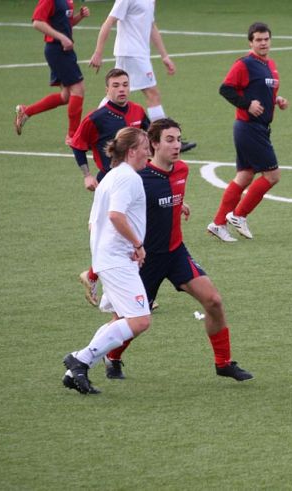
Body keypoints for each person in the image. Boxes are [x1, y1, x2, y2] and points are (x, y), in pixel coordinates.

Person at [101, 118, 253, 382]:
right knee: (129, 321)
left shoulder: (182, 169)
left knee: (213, 301)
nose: (176, 145)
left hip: (175, 252)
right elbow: (117, 213)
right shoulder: (138, 178)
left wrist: (178, 204)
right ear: (154, 144)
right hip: (145, 260)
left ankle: (224, 363)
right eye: (169, 140)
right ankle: (107, 357)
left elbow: (164, 196)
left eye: (179, 139)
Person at [62, 127, 152, 395]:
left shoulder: (110, 177)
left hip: (108, 257)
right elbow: (115, 215)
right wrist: (137, 245)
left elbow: (93, 224)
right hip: (117, 259)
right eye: (145, 147)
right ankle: (80, 359)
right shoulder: (128, 178)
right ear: (132, 151)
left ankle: (74, 373)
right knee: (140, 320)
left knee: (120, 319)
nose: (149, 152)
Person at [71, 68, 150, 306]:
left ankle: (98, 278)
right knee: (112, 232)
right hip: (110, 181)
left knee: (135, 231)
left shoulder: (138, 111)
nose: (121, 89)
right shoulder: (97, 117)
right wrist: (87, 175)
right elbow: (77, 144)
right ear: (107, 89)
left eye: (125, 84)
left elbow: (149, 140)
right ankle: (122, 288)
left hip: (136, 178)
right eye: (116, 85)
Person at [206, 22, 289, 242]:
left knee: (244, 176)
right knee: (272, 175)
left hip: (259, 128)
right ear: (250, 42)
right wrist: (247, 105)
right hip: (249, 128)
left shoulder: (270, 64)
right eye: (258, 40)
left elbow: (262, 91)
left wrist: (276, 100)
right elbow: (225, 89)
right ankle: (239, 215)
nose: (263, 43)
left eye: (266, 39)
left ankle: (218, 223)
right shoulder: (244, 64)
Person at [88, 0, 196, 153]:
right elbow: (109, 21)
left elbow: (151, 26)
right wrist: (98, 52)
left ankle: (91, 132)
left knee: (113, 95)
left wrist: (164, 56)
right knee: (153, 94)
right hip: (131, 53)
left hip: (138, 53)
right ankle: (164, 139)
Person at [14, 0, 90, 145]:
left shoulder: (68, 1)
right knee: (78, 89)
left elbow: (66, 25)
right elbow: (37, 22)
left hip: (65, 50)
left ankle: (26, 112)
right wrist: (61, 38)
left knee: (66, 96)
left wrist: (79, 16)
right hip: (57, 50)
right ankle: (73, 137)